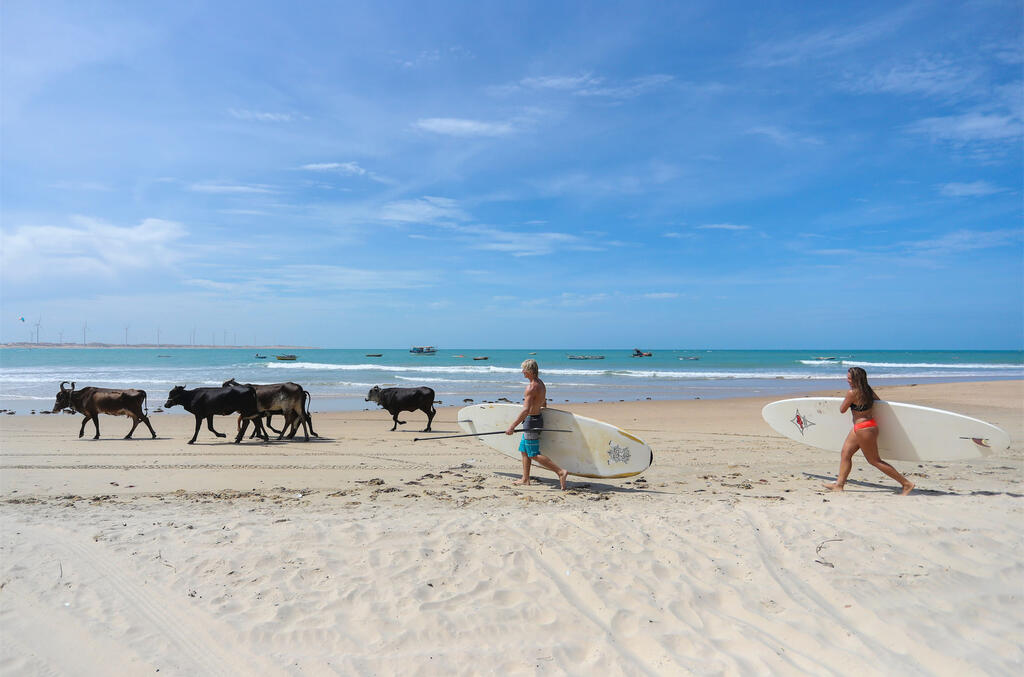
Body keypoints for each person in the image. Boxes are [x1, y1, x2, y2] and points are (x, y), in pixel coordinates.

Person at [824, 367, 915, 495]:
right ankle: (839, 485)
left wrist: (851, 401)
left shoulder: (852, 393)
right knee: (845, 454)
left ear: (856, 379)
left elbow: (842, 409)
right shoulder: (868, 390)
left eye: (849, 378)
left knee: (874, 461)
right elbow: (879, 402)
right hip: (866, 426)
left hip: (863, 429)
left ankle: (906, 484)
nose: (847, 380)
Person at [505, 359, 568, 490]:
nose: (522, 372)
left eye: (524, 369)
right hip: (536, 418)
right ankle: (525, 479)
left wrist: (512, 426)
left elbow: (525, 410)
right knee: (524, 450)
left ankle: (560, 472)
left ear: (530, 371)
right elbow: (543, 401)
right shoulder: (541, 383)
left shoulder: (531, 387)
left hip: (531, 422)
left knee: (533, 454)